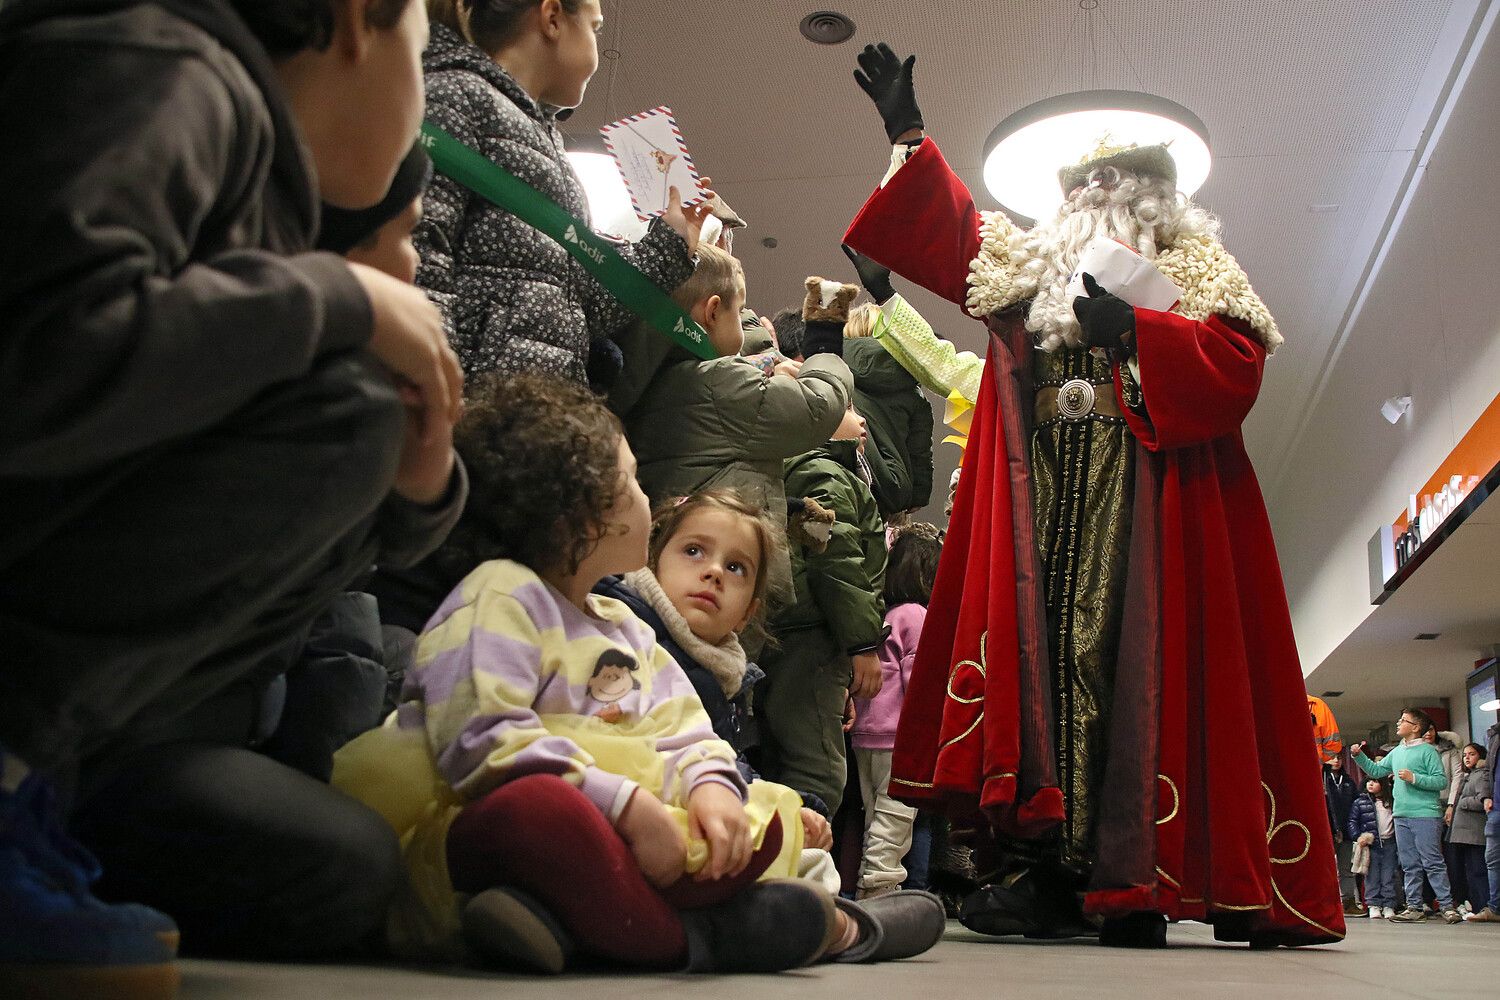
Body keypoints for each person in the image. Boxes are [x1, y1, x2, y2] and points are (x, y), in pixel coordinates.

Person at [1, 0, 467, 993]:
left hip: (130, 732)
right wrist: (336, 301)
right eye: (422, 56)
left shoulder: (242, 153)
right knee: (342, 409)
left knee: (341, 869)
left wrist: (419, 479)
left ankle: (30, 793)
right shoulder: (166, 69)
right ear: (354, 22)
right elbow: (45, 353)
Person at [842, 42, 1341, 947]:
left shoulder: (1201, 271)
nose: (1093, 191)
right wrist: (907, 134)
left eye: (1112, 177)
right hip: (1044, 507)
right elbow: (957, 240)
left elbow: (1234, 373)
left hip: (1152, 506)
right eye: (1082, 180)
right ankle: (1056, 874)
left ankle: (1135, 878)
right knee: (1048, 668)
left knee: (1131, 670)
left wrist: (1143, 331)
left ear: (1155, 193)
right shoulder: (1031, 266)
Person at [335, 374, 943, 972]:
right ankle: (722, 936)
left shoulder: (625, 626)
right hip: (490, 834)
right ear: (578, 510)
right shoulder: (499, 598)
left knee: (764, 806)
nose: (646, 496)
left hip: (629, 848)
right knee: (537, 811)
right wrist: (627, 806)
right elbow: (481, 743)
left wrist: (710, 789)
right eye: (630, 479)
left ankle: (567, 925)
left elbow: (685, 732)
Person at [592, 489, 947, 953]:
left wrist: (790, 804)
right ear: (653, 559)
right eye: (693, 550)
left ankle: (820, 914)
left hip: (689, 810)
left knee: (802, 835)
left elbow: (724, 757)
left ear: (748, 612)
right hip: (635, 814)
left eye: (736, 568)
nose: (714, 572)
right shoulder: (630, 633)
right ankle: (846, 930)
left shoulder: (722, 668)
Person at [416, 0, 702, 386]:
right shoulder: (456, 97)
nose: (597, 49)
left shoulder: (546, 143)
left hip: (538, 413)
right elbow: (419, 260)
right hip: (474, 414)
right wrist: (434, 400)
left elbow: (582, 301)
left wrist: (670, 243)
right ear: (552, 18)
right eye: (595, 28)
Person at [610, 247, 856, 598]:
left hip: (669, 567)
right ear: (712, 311)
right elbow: (817, 407)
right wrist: (824, 349)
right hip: (725, 583)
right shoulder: (719, 382)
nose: (743, 321)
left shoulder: (647, 383)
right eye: (740, 312)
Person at [758, 282, 888, 815]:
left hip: (807, 634)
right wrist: (861, 644)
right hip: (815, 633)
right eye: (852, 410)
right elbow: (835, 559)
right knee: (818, 770)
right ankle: (797, 875)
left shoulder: (817, 468)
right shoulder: (823, 472)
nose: (862, 424)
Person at [852, 525, 942, 899]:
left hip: (865, 734)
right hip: (898, 737)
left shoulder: (885, 614)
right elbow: (918, 680)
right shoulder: (918, 616)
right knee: (897, 818)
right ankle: (880, 889)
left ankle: (868, 882)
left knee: (875, 818)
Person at [1351, 709, 1462, 923]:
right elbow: (1376, 770)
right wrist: (1358, 756)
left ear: (1416, 727)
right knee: (1409, 864)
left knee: (1432, 861)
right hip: (1401, 814)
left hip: (1426, 814)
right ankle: (1414, 907)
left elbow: (1441, 781)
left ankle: (1448, 907)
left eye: (1404, 720)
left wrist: (1414, 778)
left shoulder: (1428, 751)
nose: (1399, 723)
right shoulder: (1397, 751)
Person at [842, 304, 935, 521]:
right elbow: (920, 453)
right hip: (891, 492)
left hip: (848, 478)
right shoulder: (912, 390)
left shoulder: (836, 371)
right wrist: (918, 496)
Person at [1450, 743, 1492, 914]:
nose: (1467, 757)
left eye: (1472, 754)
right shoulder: (1469, 775)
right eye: (1465, 754)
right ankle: (1476, 905)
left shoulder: (1481, 775)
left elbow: (1484, 800)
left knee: (1478, 871)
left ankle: (1483, 905)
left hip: (1474, 833)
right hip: (1463, 833)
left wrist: (1463, 802)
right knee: (1468, 871)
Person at [1348, 775, 1396, 918]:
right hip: (1371, 845)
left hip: (1389, 843)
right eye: (1369, 781)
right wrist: (1358, 836)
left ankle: (1388, 905)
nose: (1371, 784)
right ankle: (1373, 904)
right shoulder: (1360, 802)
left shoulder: (1391, 801)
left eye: (1375, 781)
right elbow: (1352, 821)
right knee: (1372, 876)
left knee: (1388, 875)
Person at [1468, 721, 1500, 921]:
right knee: (1493, 861)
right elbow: (1488, 769)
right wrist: (1486, 796)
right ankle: (1495, 908)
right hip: (1496, 808)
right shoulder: (1495, 736)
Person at [1324, 754, 1360, 914]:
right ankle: (1324, 903)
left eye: (1339, 757)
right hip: (1326, 833)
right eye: (1332, 757)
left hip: (1346, 833)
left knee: (1346, 869)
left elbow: (1355, 806)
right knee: (1324, 869)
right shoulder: (1321, 779)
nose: (1336, 760)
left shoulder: (1348, 781)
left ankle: (1348, 903)